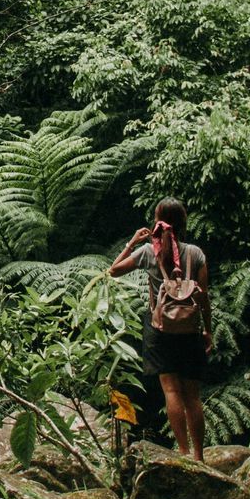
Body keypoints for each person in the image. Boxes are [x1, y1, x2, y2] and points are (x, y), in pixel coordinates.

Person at [109, 197, 212, 461]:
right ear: (183, 223)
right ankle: (199, 456)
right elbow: (203, 298)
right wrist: (207, 330)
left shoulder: (148, 253)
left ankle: (183, 451)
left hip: (160, 330)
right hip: (190, 330)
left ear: (158, 222)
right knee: (193, 396)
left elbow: (113, 271)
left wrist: (133, 242)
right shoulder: (196, 254)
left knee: (171, 392)